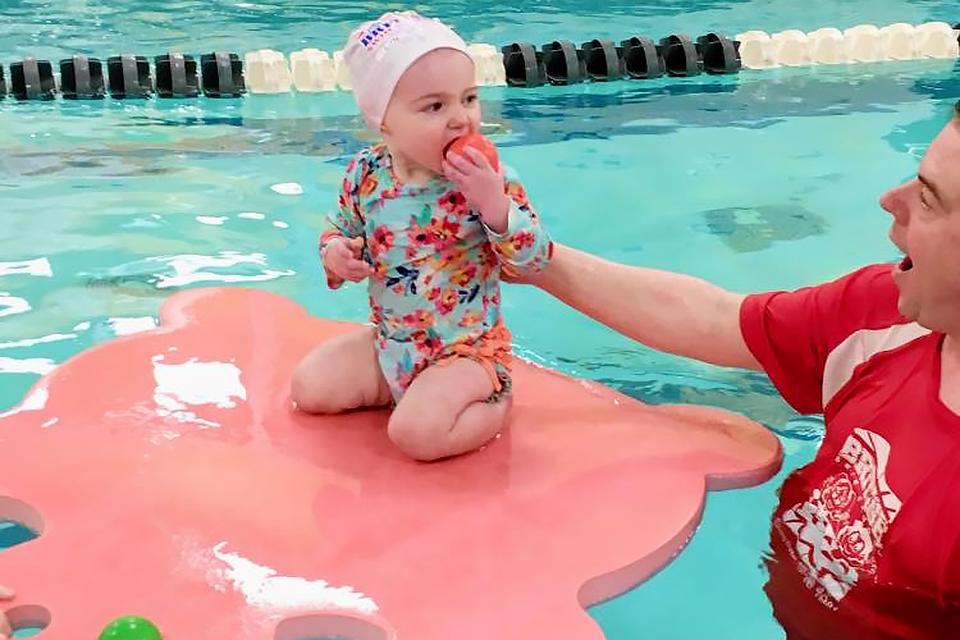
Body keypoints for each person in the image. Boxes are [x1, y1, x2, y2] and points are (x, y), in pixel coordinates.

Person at [516, 103, 960, 639]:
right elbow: (717, 320)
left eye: (930, 199)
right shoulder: (888, 312)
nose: (891, 200)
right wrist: (538, 262)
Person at [291, 12, 552, 461]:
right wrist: (336, 254)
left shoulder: (488, 180)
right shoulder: (366, 174)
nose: (461, 119)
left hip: (467, 353)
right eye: (435, 106)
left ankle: (495, 397)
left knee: (415, 436)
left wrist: (494, 206)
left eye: (468, 99)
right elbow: (340, 229)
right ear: (383, 121)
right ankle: (409, 393)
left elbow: (535, 260)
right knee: (309, 389)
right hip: (392, 343)